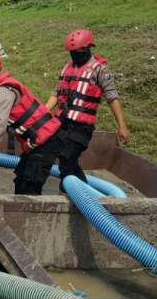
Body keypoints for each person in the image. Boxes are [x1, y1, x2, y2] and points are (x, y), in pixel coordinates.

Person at [0, 53, 86, 194]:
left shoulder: (3, 91)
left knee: (30, 185)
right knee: (21, 180)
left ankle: (85, 197)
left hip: (48, 140)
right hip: (36, 143)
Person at [45, 29, 130, 184]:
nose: (75, 55)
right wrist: (44, 111)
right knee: (62, 159)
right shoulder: (67, 68)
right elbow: (57, 93)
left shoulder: (100, 70)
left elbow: (112, 98)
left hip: (81, 127)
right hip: (62, 122)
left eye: (78, 51)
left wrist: (122, 126)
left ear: (88, 48)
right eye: (72, 52)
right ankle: (74, 191)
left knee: (67, 156)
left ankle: (78, 194)